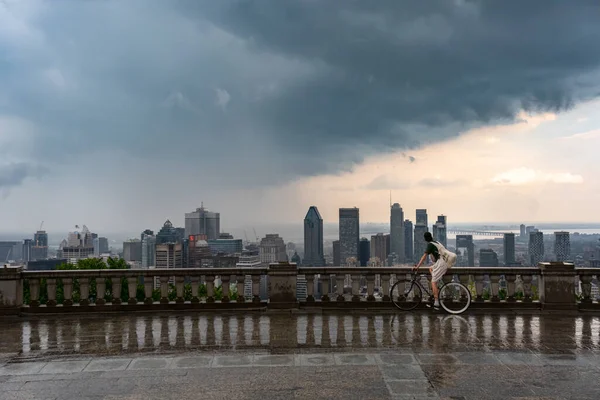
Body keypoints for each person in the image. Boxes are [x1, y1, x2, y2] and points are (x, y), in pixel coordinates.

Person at [413, 231, 457, 309]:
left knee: (433, 282)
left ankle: (436, 302)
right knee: (431, 268)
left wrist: (417, 267)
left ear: (425, 239)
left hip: (442, 262)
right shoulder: (436, 242)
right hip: (442, 261)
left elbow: (424, 257)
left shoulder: (430, 245)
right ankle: (437, 286)